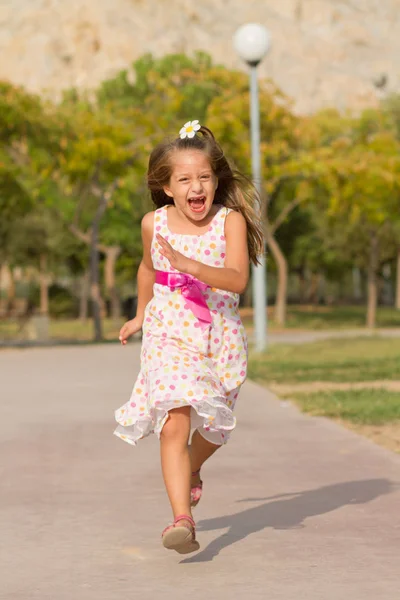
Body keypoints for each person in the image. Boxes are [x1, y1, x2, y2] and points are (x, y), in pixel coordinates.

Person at [114, 120, 264, 554]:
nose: (197, 187)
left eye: (205, 177)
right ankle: (182, 520)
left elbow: (236, 280)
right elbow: (148, 269)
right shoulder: (153, 224)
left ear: (216, 181)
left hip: (221, 337)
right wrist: (141, 313)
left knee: (216, 429)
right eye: (185, 179)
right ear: (165, 186)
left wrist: (190, 264)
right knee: (174, 421)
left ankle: (193, 469)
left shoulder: (229, 221)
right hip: (171, 332)